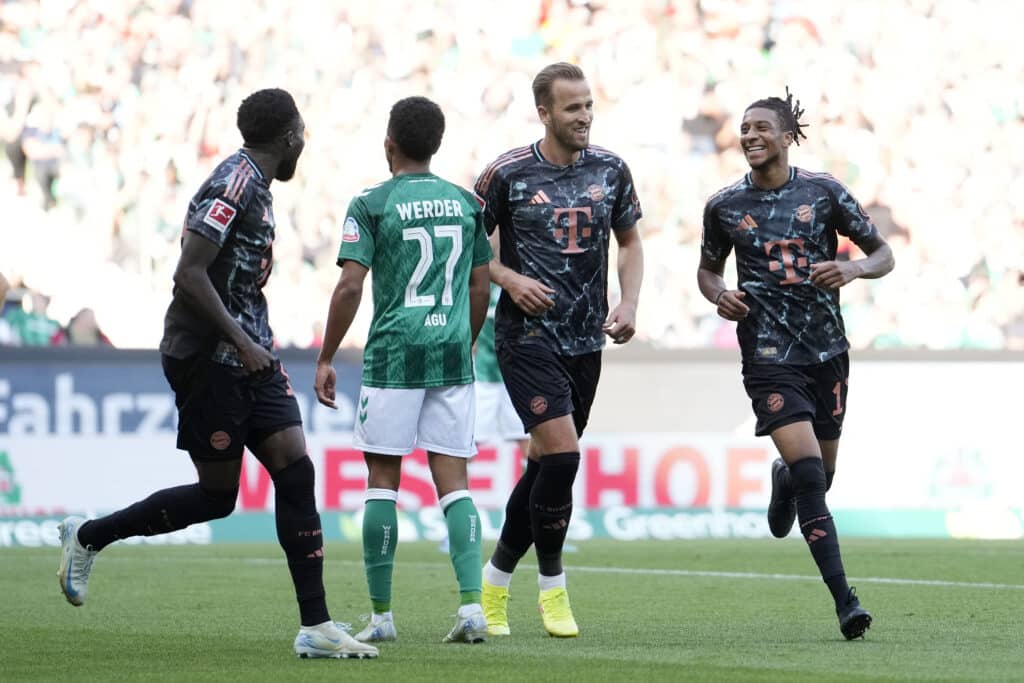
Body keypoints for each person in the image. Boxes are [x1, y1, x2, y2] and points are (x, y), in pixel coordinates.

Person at [55, 88, 377, 660]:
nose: (305, 140)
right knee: (216, 497)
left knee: (296, 472)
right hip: (209, 359)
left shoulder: (260, 184)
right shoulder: (234, 183)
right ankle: (89, 535)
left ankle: (316, 626)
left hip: (253, 356)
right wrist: (238, 340)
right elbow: (189, 273)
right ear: (290, 136)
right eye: (302, 131)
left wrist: (254, 344)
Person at [697, 88, 894, 640]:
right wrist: (719, 295)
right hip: (766, 354)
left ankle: (784, 481)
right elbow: (708, 270)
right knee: (813, 473)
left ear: (787, 136)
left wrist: (853, 271)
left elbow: (883, 253)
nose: (751, 136)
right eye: (745, 128)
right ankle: (845, 603)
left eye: (762, 127)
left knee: (819, 476)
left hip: (827, 350)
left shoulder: (824, 192)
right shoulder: (723, 206)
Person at [473, 62, 644, 638]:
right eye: (573, 108)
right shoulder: (507, 173)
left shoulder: (612, 170)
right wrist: (509, 279)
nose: (585, 117)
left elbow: (631, 242)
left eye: (589, 105)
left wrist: (628, 303)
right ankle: (552, 588)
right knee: (565, 456)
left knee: (545, 464)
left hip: (585, 339)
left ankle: (493, 583)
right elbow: (472, 250)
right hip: (525, 337)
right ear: (543, 112)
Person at [314, 96, 492, 645]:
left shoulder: (371, 203)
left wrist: (326, 355)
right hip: (450, 354)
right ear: (436, 145)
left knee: (382, 483)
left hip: (394, 356)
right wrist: (465, 340)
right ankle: (471, 610)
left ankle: (383, 618)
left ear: (389, 143)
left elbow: (350, 284)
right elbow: (481, 285)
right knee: (455, 485)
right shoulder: (466, 201)